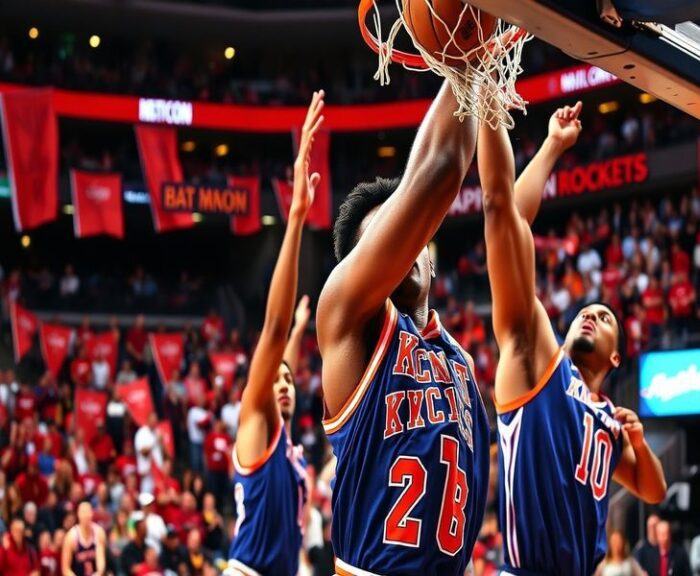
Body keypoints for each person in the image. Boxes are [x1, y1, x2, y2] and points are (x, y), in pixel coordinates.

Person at [477, 100, 667, 576]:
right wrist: (551, 146)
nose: (591, 316)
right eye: (585, 311)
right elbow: (504, 213)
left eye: (604, 318)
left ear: (618, 356)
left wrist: (640, 446)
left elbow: (653, 491)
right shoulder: (538, 360)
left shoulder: (606, 420)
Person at [317, 80, 488, 575]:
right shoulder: (347, 317)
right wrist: (467, 61)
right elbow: (441, 171)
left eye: (411, 233)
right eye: (383, 236)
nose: (403, 244)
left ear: (433, 263)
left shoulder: (461, 362)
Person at [223, 90, 322, 576]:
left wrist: (300, 331)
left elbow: (287, 354)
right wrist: (297, 216)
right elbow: (273, 329)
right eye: (276, 378)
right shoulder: (256, 417)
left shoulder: (283, 437)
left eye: (289, 378)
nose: (284, 383)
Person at [61, 501, 107, 576]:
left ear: (92, 514)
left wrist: (98, 574)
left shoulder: (99, 533)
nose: (86, 515)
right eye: (83, 512)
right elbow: (65, 569)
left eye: (88, 512)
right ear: (78, 515)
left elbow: (101, 562)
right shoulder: (71, 536)